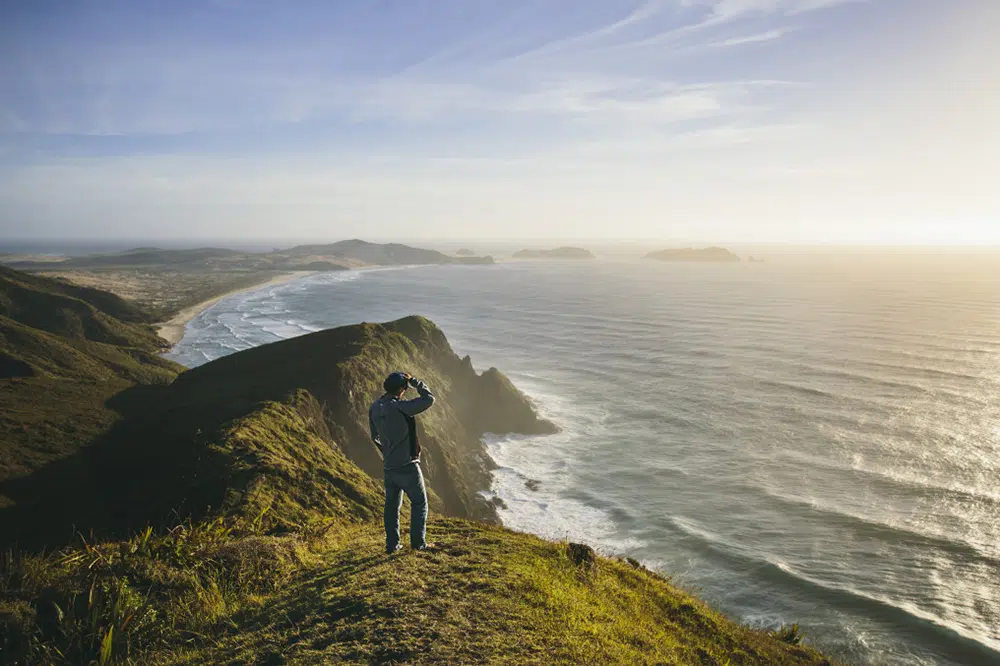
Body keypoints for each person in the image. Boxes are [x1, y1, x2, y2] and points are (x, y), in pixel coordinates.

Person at [369, 371, 436, 554]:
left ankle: (392, 545)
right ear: (401, 389)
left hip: (389, 465)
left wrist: (388, 452)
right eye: (405, 388)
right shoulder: (401, 407)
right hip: (407, 464)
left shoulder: (375, 407)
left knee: (391, 507)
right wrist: (415, 381)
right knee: (419, 503)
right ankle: (418, 544)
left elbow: (374, 436)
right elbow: (429, 399)